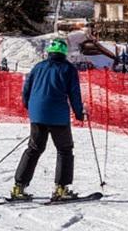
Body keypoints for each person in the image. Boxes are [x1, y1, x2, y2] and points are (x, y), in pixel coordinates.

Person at [12, 37, 85, 201]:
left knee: (34, 148)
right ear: (64, 52)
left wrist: (29, 106)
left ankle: (19, 186)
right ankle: (61, 188)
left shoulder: (38, 67)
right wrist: (79, 113)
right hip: (58, 115)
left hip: (37, 113)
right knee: (65, 150)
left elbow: (26, 89)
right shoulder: (68, 69)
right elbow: (74, 94)